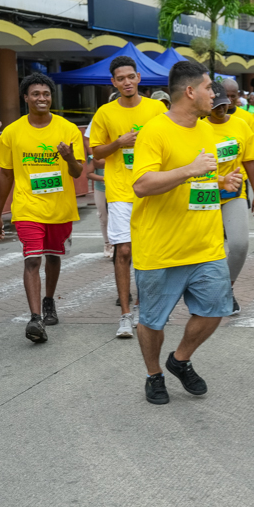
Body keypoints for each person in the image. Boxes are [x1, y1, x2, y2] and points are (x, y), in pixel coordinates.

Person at [131, 60, 240, 405]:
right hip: (161, 248)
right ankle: (154, 375)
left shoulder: (206, 129)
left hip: (205, 245)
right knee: (152, 321)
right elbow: (142, 184)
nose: (215, 94)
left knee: (215, 309)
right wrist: (190, 169)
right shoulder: (155, 130)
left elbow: (200, 178)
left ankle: (179, 360)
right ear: (190, 91)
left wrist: (223, 181)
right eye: (209, 88)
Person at [0, 73, 85, 343]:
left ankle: (48, 301)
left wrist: (68, 158)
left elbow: (78, 172)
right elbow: (6, 175)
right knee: (32, 259)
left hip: (59, 207)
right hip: (27, 206)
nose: (41, 98)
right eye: (35, 94)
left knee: (53, 256)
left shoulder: (67, 129)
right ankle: (34, 319)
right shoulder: (12, 132)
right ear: (25, 98)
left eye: (46, 94)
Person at [88, 56, 168, 338]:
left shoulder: (157, 109)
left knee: (151, 252)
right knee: (123, 250)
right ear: (113, 82)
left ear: (138, 78)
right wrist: (118, 143)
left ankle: (147, 307)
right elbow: (96, 153)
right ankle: (125, 315)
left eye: (130, 76)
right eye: (120, 78)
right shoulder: (105, 114)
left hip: (153, 189)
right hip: (121, 190)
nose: (126, 82)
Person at [205, 82, 254, 312]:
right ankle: (210, 292)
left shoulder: (241, 125)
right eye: (216, 105)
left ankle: (227, 288)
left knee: (239, 244)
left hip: (234, 192)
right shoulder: (197, 127)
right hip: (205, 194)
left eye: (225, 104)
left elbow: (249, 161)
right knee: (211, 247)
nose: (221, 109)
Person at [86, 154, 111, 257]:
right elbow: (89, 174)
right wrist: (106, 178)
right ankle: (107, 244)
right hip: (101, 189)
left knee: (119, 216)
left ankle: (119, 244)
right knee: (103, 217)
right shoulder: (95, 156)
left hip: (120, 189)